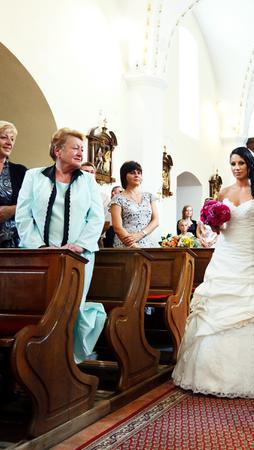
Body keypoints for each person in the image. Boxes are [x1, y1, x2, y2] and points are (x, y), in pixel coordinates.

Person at [172, 146, 254, 398]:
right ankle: (209, 374)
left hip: (249, 254)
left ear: (249, 165)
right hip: (225, 254)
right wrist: (214, 224)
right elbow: (218, 225)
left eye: (241, 163)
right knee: (215, 307)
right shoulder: (223, 191)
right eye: (233, 163)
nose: (236, 168)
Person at [15, 128, 106, 362]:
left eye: (82, 149)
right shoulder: (34, 176)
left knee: (72, 307)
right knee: (44, 308)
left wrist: (79, 245)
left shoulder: (88, 180)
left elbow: (96, 217)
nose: (80, 152)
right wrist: (38, 247)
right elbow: (23, 215)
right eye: (75, 147)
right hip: (42, 256)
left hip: (80, 255)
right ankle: (42, 358)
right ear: (58, 150)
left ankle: (68, 360)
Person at [110, 161, 159, 248]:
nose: (136, 175)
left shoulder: (149, 196)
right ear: (124, 176)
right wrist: (133, 246)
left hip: (147, 243)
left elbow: (156, 221)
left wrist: (140, 234)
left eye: (139, 173)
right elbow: (117, 227)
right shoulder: (117, 199)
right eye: (132, 173)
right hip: (126, 244)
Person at [0, 121, 27, 248]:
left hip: (12, 242)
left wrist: (11, 210)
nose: (9, 143)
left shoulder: (20, 171)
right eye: (3, 137)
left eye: (12, 139)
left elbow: (33, 203)